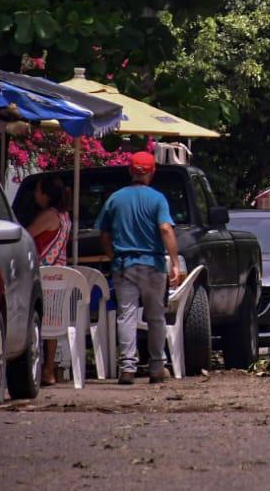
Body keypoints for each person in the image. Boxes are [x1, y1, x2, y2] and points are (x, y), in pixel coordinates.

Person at [97, 152, 182, 385]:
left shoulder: (115, 198)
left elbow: (103, 234)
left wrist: (112, 255)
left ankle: (127, 368)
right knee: (156, 317)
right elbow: (165, 228)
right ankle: (156, 368)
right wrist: (174, 262)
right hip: (153, 265)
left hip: (124, 266)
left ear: (130, 171)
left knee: (126, 316)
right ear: (152, 172)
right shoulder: (157, 199)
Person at [25, 176, 72, 386]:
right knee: (51, 323)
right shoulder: (65, 216)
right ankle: (49, 369)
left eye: (37, 191)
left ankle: (43, 368)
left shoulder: (49, 216)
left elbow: (26, 236)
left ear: (46, 194)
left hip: (43, 271)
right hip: (58, 271)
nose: (35, 195)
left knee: (36, 319)